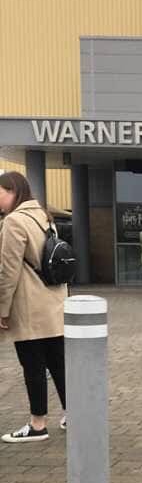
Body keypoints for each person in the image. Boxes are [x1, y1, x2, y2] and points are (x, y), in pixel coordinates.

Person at [0, 171, 67, 443]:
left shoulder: (14, 221)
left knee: (33, 367)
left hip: (29, 306)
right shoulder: (45, 216)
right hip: (54, 303)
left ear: (13, 191)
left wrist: (2, 310)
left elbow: (8, 270)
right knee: (59, 365)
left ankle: (38, 424)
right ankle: (73, 413)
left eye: (1, 194)